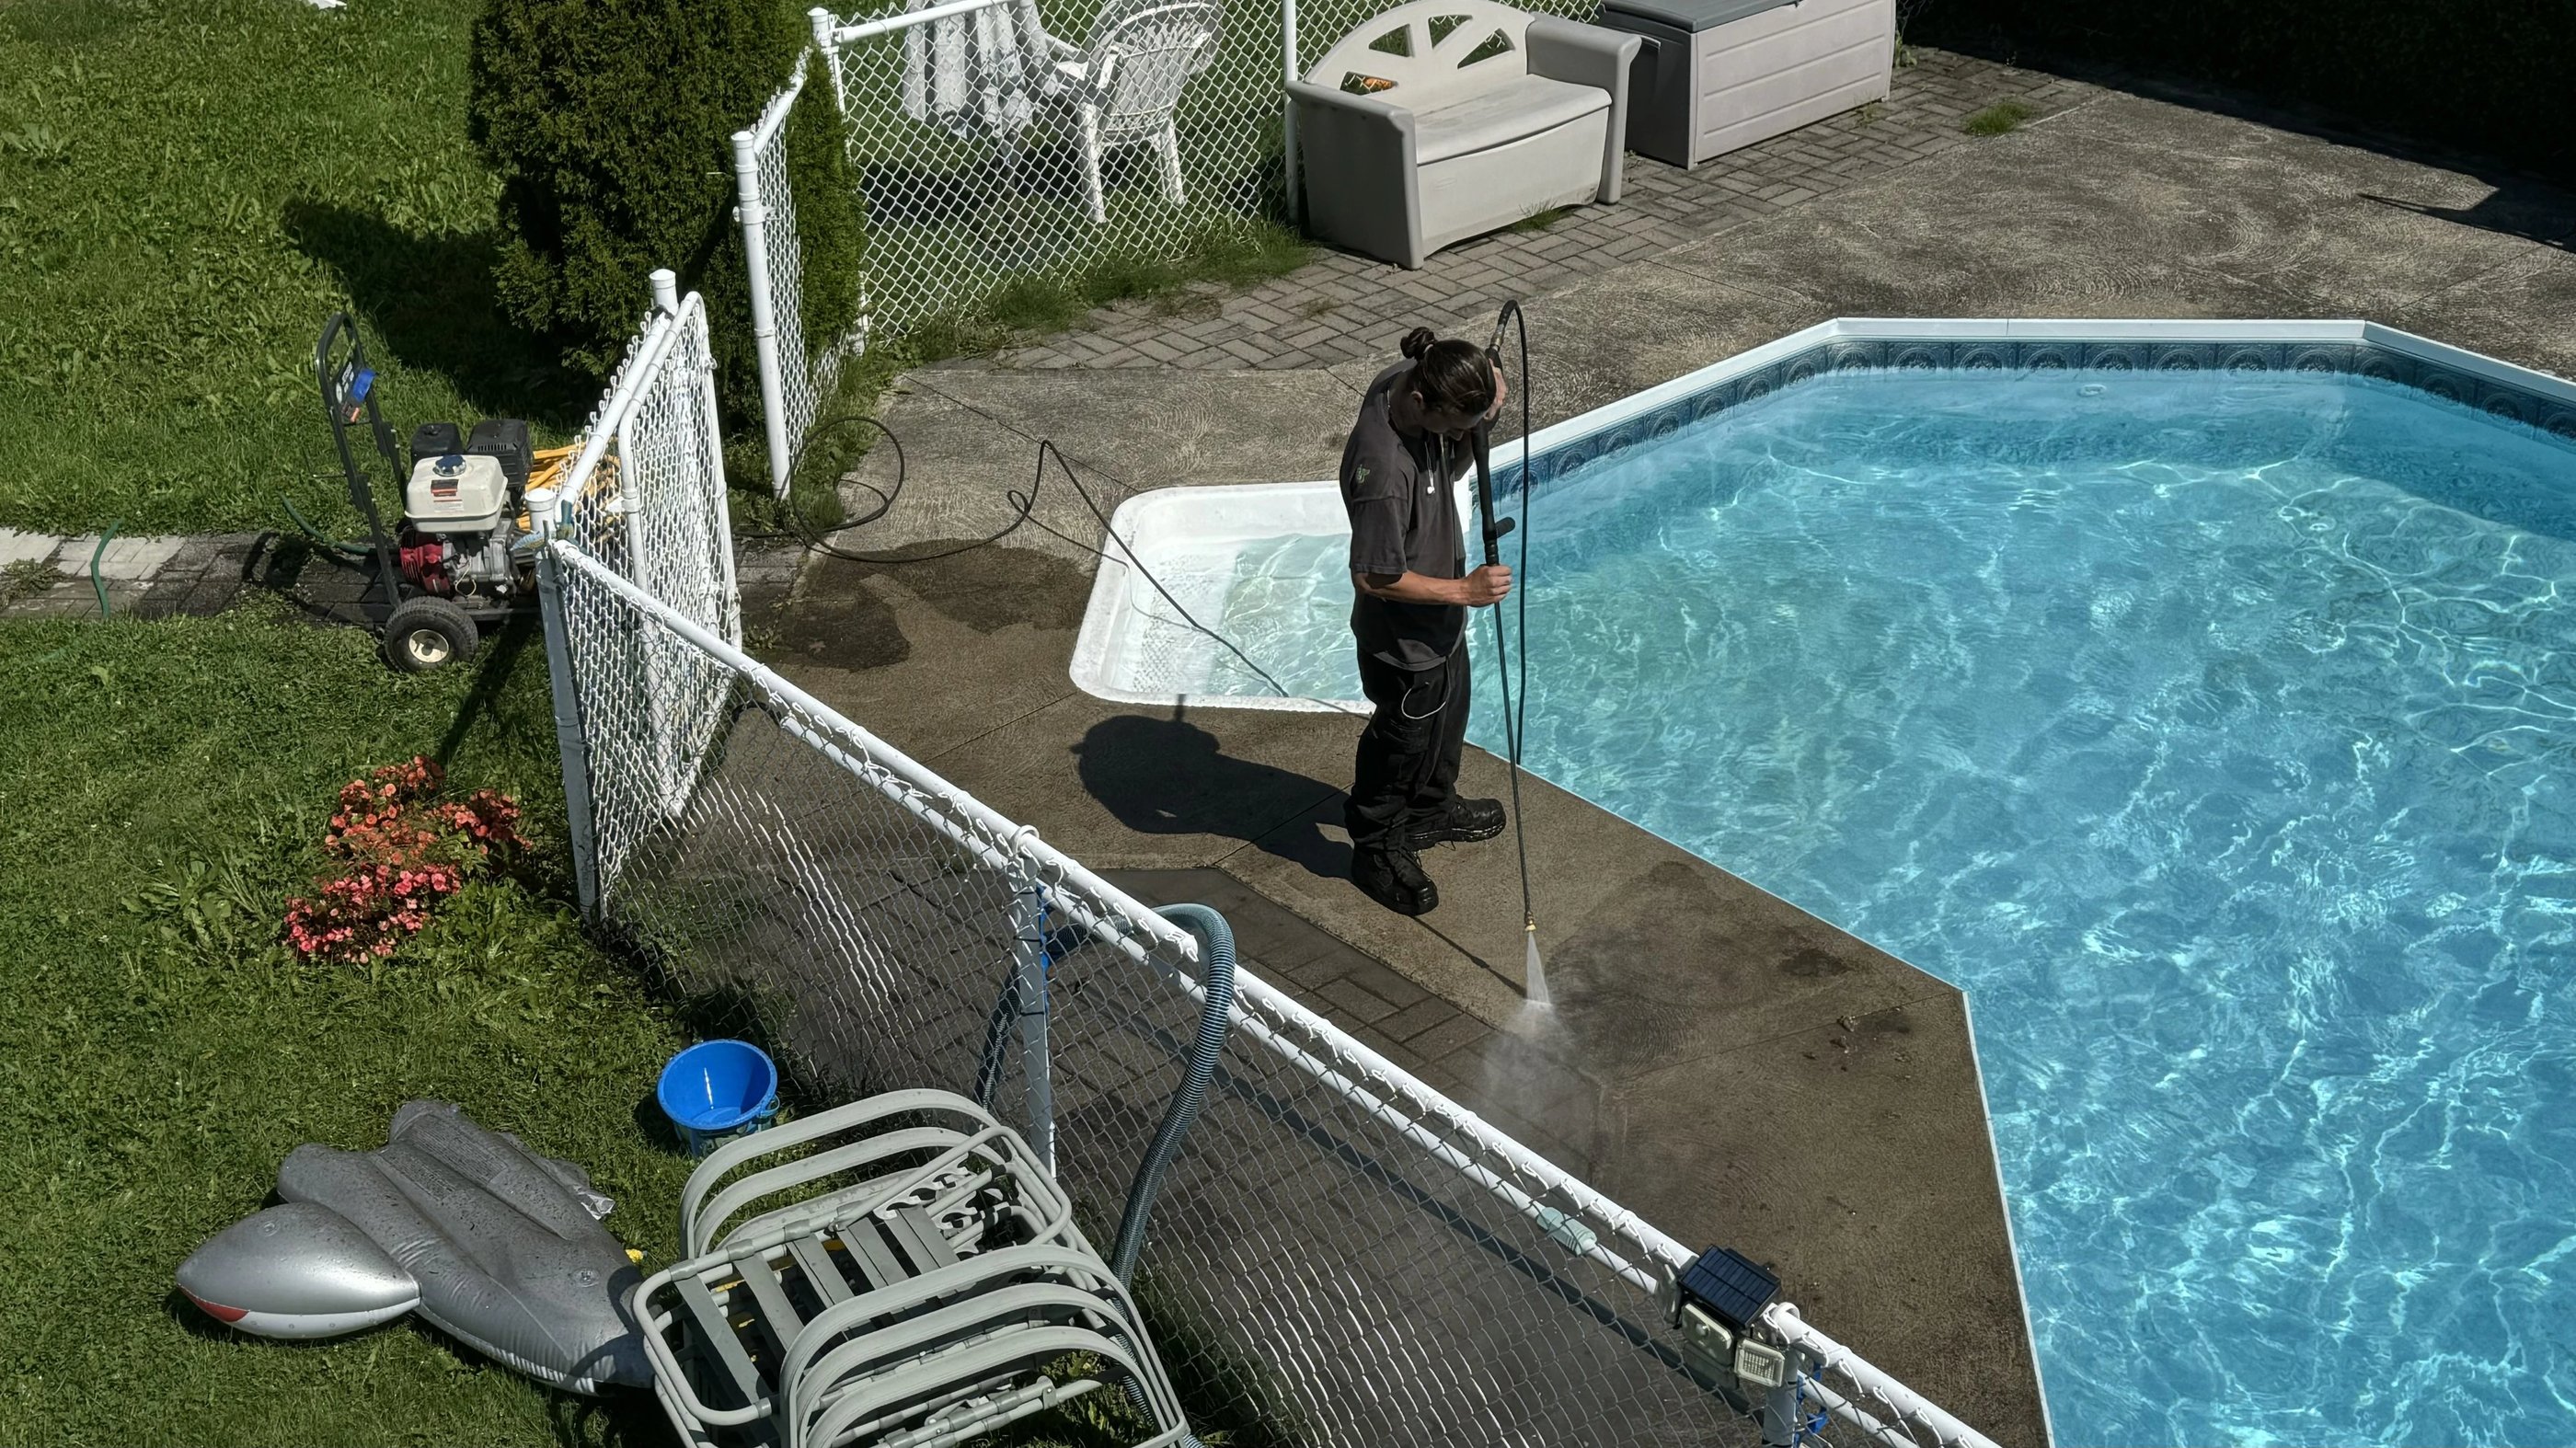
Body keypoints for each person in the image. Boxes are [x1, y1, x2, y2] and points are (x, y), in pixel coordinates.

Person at [1339, 326, 1513, 916]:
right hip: (1403, 643)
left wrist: (1488, 400)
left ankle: (1431, 810)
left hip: (1440, 626)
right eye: (1455, 427)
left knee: (1446, 725)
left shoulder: (1412, 378)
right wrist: (1463, 591)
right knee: (1401, 746)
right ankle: (1376, 847)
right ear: (1421, 402)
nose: (1462, 439)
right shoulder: (1383, 471)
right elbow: (1373, 576)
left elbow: (1453, 452)